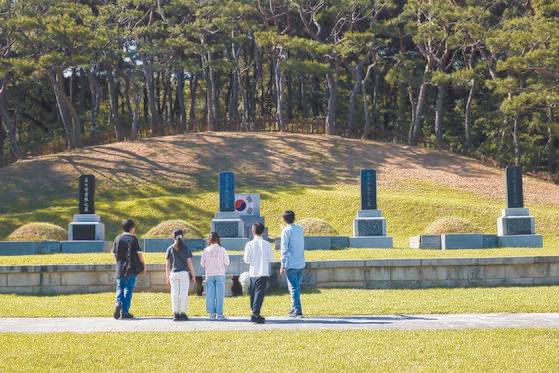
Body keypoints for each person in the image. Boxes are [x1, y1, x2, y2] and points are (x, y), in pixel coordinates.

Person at [112, 219, 145, 320]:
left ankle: (118, 302)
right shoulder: (133, 239)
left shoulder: (117, 238)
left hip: (120, 268)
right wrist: (143, 265)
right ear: (131, 228)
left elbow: (113, 253)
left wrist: (118, 262)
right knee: (128, 289)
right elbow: (139, 254)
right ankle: (125, 312)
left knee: (120, 287)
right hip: (131, 268)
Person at [243, 222, 274, 324]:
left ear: (253, 231)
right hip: (263, 271)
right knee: (259, 294)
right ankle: (255, 313)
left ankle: (255, 312)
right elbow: (270, 258)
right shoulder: (267, 244)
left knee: (253, 293)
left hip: (253, 272)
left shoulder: (249, 244)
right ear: (263, 231)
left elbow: (246, 260)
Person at [166, 229, 196, 321]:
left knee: (174, 294)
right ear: (182, 237)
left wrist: (167, 277)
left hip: (173, 274)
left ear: (173, 237)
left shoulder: (170, 248)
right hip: (184, 274)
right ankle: (183, 313)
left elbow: (167, 265)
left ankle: (175, 313)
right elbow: (189, 263)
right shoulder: (186, 248)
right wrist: (193, 275)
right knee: (183, 294)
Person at [280, 210, 306, 318]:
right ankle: (293, 307)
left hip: (291, 263)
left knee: (293, 288)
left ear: (284, 220)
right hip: (301, 262)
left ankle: (298, 311)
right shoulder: (300, 229)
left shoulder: (286, 231)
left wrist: (282, 264)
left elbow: (284, 248)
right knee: (296, 287)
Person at [200, 232, 230, 320]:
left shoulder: (206, 250)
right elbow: (227, 262)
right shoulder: (222, 249)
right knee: (220, 295)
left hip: (209, 274)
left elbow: (202, 263)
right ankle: (220, 314)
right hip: (220, 274)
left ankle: (212, 314)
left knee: (210, 295)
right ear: (218, 239)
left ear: (209, 240)